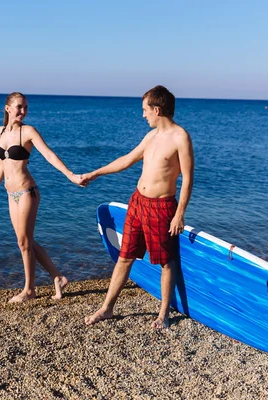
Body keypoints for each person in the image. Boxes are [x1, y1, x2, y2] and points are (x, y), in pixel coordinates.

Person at [82, 85, 194, 329]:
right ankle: (107, 308)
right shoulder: (151, 137)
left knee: (166, 262)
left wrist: (179, 214)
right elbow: (127, 160)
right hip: (137, 203)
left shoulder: (180, 137)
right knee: (124, 257)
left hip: (162, 207)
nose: (143, 115)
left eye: (145, 110)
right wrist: (95, 173)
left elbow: (187, 178)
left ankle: (163, 314)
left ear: (157, 109)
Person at [0, 92, 83, 303]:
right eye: (19, 107)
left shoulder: (28, 132)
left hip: (26, 192)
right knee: (25, 241)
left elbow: (49, 155)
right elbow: (1, 163)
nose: (23, 111)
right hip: (9, 193)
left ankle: (29, 290)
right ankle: (57, 277)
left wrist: (70, 175)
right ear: (8, 108)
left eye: (26, 108)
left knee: (24, 242)